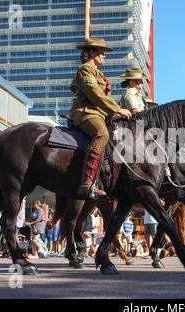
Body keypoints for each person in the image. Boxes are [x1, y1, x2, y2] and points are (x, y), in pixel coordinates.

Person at [69, 37, 131, 198]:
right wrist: (118, 109)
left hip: (99, 114)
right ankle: (86, 183)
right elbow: (95, 95)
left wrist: (118, 115)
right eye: (102, 53)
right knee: (102, 134)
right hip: (85, 113)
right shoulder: (85, 70)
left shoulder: (98, 73)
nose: (104, 56)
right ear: (91, 53)